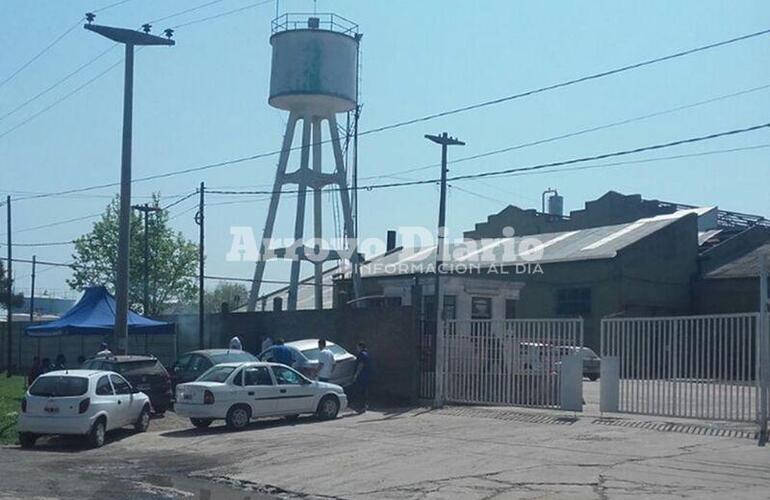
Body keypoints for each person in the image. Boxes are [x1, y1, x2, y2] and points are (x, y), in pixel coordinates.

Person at [352, 342, 371, 414]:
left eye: (357, 347)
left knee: (361, 391)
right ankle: (365, 405)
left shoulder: (362, 354)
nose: (357, 349)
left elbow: (361, 365)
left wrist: (356, 374)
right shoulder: (366, 354)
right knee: (364, 391)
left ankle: (361, 407)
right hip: (366, 375)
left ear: (361, 347)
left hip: (362, 375)